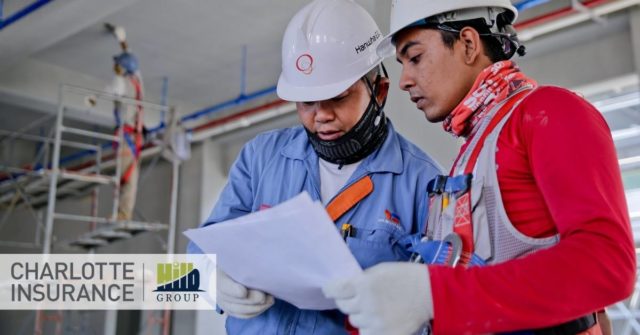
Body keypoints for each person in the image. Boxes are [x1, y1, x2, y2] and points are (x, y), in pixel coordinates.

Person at [322, 1, 636, 334]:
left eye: (414, 58)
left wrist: (434, 295)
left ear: (469, 44)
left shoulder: (549, 113)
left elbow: (606, 265)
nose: (405, 81)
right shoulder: (472, 154)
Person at [187, 0, 442, 334]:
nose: (321, 115)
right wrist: (208, 278)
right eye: (307, 102)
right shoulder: (261, 158)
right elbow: (199, 251)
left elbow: (437, 299)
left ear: (379, 91)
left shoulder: (423, 182)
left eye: (338, 97)